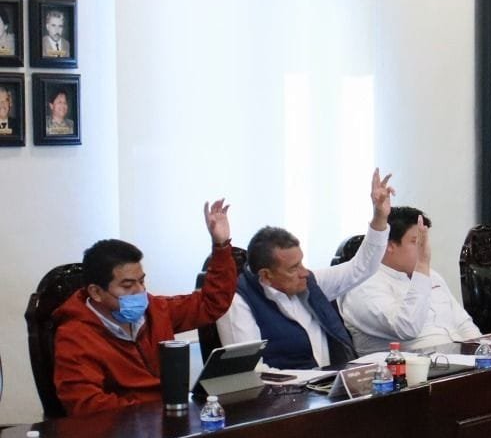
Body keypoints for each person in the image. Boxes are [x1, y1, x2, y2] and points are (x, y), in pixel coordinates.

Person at [53, 200, 236, 415]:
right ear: (96, 292)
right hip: (126, 428)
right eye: (127, 286)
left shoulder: (155, 310)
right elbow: (87, 406)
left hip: (171, 416)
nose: (140, 291)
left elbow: (210, 303)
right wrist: (151, 412)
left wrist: (221, 246)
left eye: (142, 281)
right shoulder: (75, 337)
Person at [215, 169, 395, 369]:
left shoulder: (307, 282)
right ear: (266, 276)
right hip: (289, 388)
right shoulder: (238, 301)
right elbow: (250, 372)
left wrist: (379, 217)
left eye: (301, 262)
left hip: (329, 382)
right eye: (293, 268)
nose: (304, 272)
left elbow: (361, 268)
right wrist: (313, 378)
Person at [339, 205, 481, 355]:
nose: (424, 248)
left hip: (458, 360)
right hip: (408, 365)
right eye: (416, 242)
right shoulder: (362, 284)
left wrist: (481, 353)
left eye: (424, 242)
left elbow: (463, 323)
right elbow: (406, 327)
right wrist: (422, 265)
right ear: (389, 246)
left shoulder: (432, 275)